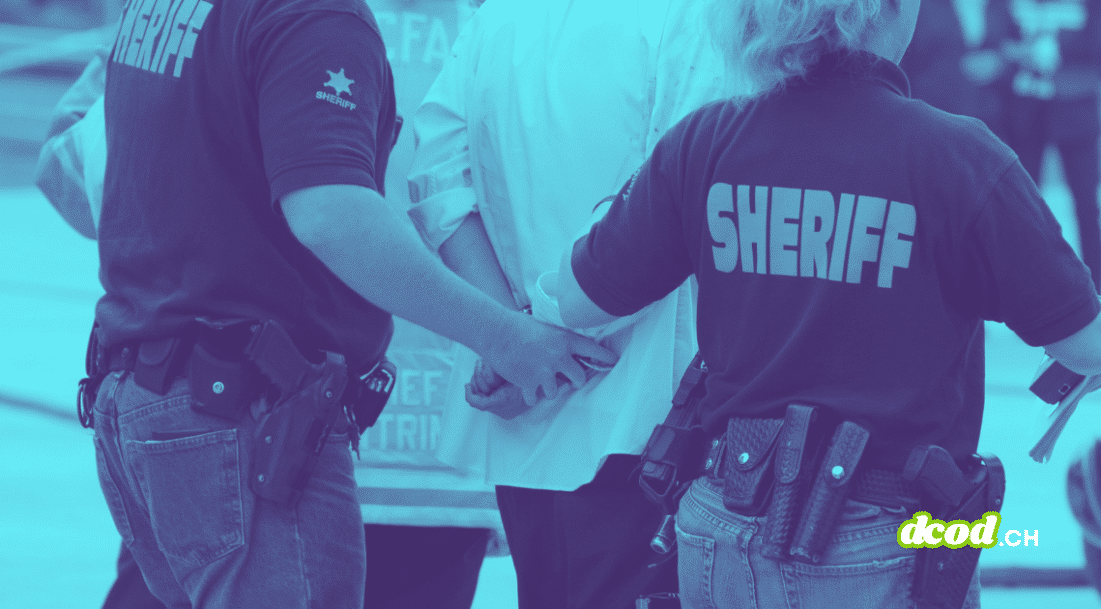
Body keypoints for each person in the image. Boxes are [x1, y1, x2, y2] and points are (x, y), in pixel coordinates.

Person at [553, 0, 1101, 607]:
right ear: (882, 14)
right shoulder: (958, 156)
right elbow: (1083, 341)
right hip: (886, 537)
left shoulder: (705, 141)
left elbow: (578, 299)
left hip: (718, 526)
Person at [85, 0, 615, 608]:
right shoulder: (315, 16)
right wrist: (503, 336)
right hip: (240, 419)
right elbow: (331, 213)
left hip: (145, 397)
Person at [34, 45, 492, 609]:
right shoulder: (487, 25)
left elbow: (68, 174)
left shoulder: (213, 17)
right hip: (424, 441)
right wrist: (509, 341)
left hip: (237, 424)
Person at [405, 1, 734, 607]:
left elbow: (435, 178)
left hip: (530, 412)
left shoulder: (499, 17)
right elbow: (669, 213)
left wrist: (510, 336)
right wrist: (527, 337)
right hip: (651, 422)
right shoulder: (697, 20)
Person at [980, 0, 1101, 289]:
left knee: (1086, 202)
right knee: (1020, 201)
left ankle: (1096, 284)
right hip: (1024, 108)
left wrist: (1058, 48)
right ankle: (1021, 283)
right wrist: (1017, 53)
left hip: (1075, 107)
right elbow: (992, 41)